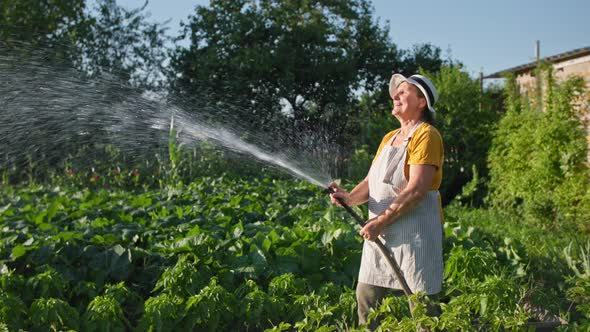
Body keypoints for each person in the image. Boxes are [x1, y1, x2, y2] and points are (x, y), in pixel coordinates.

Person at [330, 73, 444, 328]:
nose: (396, 96)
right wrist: (348, 197)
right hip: (380, 232)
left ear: (421, 101)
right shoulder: (389, 137)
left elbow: (416, 190)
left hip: (414, 236)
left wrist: (381, 221)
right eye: (396, 92)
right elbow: (372, 182)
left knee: (422, 309)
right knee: (367, 299)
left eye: (403, 92)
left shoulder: (427, 135)